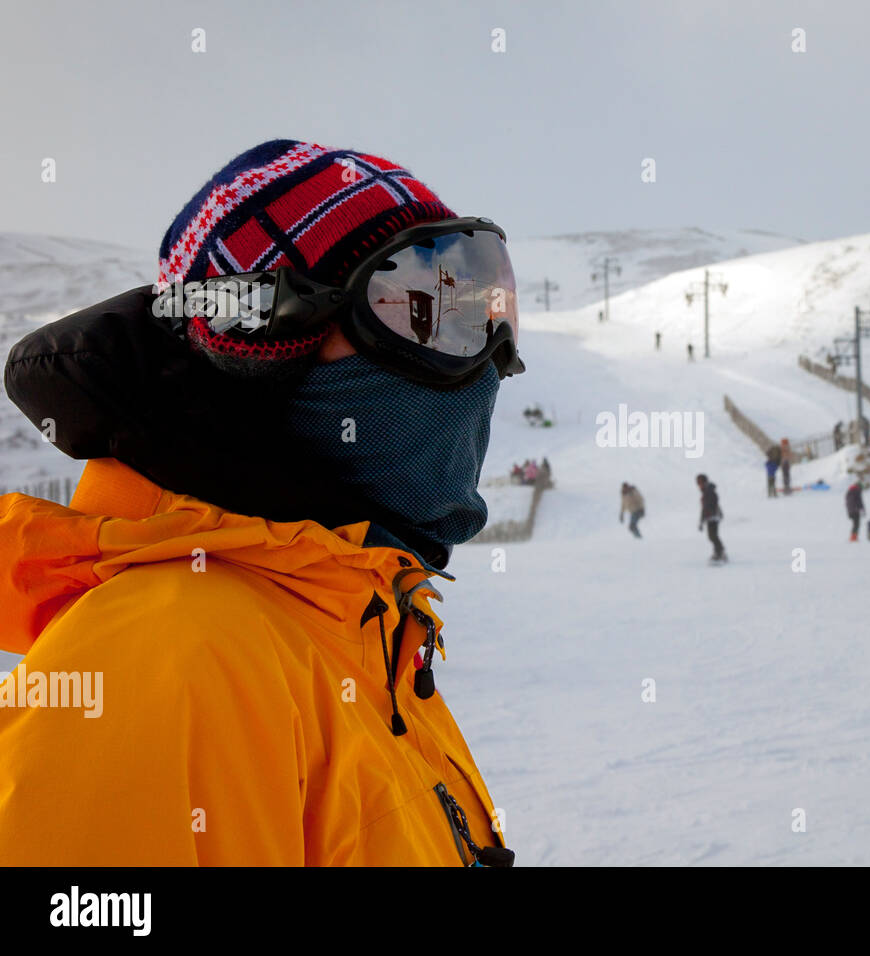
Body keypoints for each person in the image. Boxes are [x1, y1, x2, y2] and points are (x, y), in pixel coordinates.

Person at [0, 140, 521, 866]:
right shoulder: (174, 667)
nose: (486, 357)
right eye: (421, 312)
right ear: (262, 334)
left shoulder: (352, 622)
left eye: (484, 305)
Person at [696, 473, 726, 562]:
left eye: (700, 482)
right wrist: (702, 521)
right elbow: (705, 507)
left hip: (713, 516)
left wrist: (708, 513)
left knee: (713, 536)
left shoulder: (709, 491)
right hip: (711, 516)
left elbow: (710, 504)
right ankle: (719, 552)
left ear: (704, 482)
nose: (698, 485)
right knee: (712, 536)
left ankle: (720, 552)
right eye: (698, 483)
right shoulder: (707, 491)